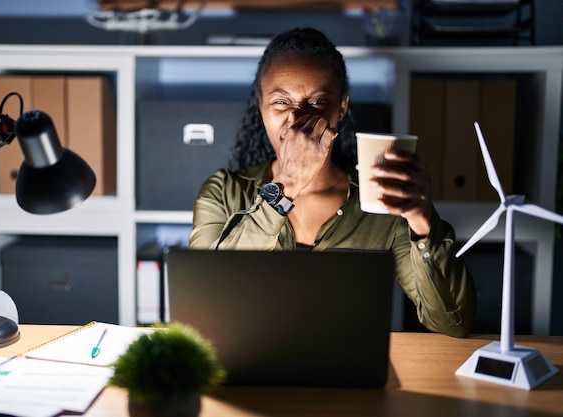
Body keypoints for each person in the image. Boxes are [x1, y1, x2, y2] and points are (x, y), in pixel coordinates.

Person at [188, 27, 476, 338]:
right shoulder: (223, 191)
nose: (298, 120)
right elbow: (202, 304)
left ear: (341, 107)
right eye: (281, 103)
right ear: (260, 106)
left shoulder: (379, 201)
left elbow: (454, 323)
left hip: (347, 377)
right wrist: (287, 185)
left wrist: (422, 225)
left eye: (318, 102)